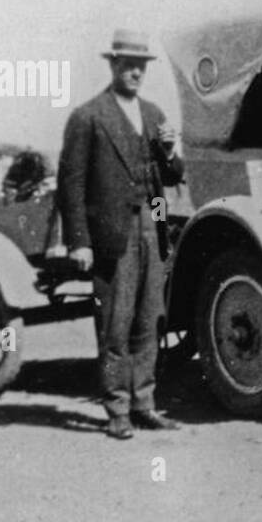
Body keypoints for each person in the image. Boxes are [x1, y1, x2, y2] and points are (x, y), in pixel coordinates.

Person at [57, 31, 185, 439]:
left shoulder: (153, 113)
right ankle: (117, 411)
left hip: (152, 226)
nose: (135, 71)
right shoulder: (88, 116)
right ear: (112, 65)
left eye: (141, 65)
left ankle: (144, 404)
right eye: (128, 64)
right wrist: (79, 241)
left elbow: (173, 175)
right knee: (116, 324)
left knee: (150, 321)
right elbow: (71, 184)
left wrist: (168, 152)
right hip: (113, 234)